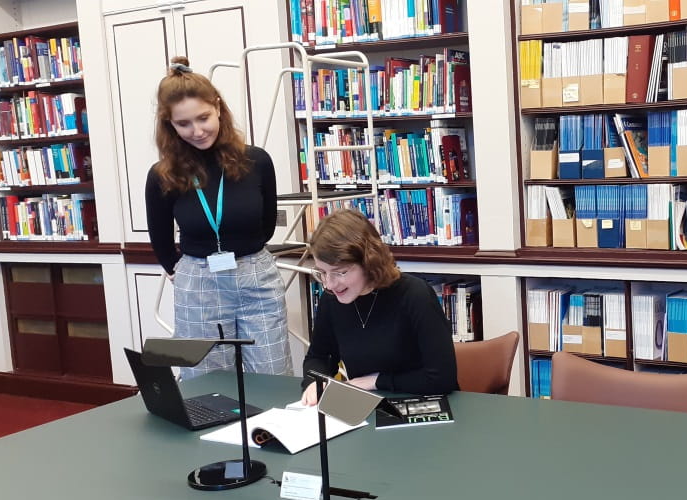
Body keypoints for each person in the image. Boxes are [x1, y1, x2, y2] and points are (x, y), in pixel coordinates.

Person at [145, 56, 292, 379]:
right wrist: (182, 271)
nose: (197, 131)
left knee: (272, 376)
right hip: (198, 282)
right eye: (183, 124)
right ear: (169, 125)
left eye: (203, 118)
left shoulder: (257, 161)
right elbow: (160, 238)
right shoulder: (162, 175)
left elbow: (266, 226)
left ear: (219, 108)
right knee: (207, 383)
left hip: (256, 277)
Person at [301, 209, 458, 405]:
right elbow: (318, 357)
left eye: (340, 272)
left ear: (369, 261)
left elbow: (442, 379)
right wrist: (316, 382)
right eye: (322, 272)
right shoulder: (331, 300)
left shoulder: (415, 295)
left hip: (424, 406)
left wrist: (374, 381)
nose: (329, 284)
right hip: (365, 407)